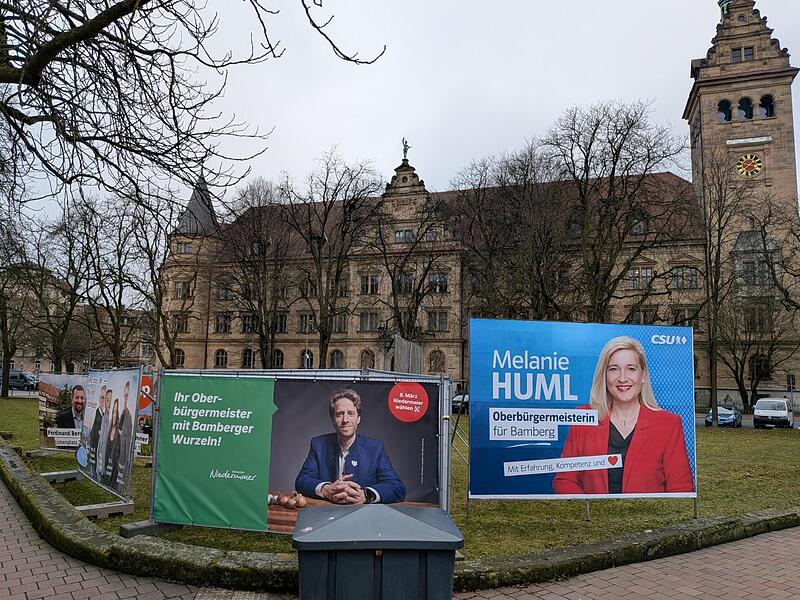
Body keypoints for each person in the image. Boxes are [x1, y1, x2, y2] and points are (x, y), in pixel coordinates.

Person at [553, 336, 694, 495]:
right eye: (613, 369)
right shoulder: (583, 417)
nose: (622, 378)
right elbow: (565, 480)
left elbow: (681, 489)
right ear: (604, 375)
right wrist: (592, 512)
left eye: (631, 369)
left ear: (643, 375)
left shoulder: (668, 424)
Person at [295, 388, 406, 504]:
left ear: (358, 418)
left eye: (351, 413)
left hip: (363, 517)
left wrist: (366, 495)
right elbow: (302, 481)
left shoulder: (375, 448)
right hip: (327, 514)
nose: (345, 420)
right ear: (332, 419)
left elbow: (397, 488)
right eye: (339, 414)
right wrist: (325, 489)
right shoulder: (318, 445)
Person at [116, 381, 134, 489]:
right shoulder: (123, 413)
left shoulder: (130, 417)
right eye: (124, 395)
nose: (125, 398)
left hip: (124, 460)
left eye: (127, 395)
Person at [88, 386, 107, 477]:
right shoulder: (97, 414)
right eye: (101, 397)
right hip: (94, 455)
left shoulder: (106, 416)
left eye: (105, 398)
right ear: (99, 398)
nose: (103, 401)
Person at [102, 398, 121, 487]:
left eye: (116, 412)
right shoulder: (109, 429)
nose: (114, 415)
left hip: (114, 473)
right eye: (113, 412)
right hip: (106, 469)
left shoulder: (119, 433)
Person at [96, 388, 113, 480]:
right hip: (101, 453)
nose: (108, 403)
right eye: (107, 400)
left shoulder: (113, 419)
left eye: (111, 400)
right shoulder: (103, 417)